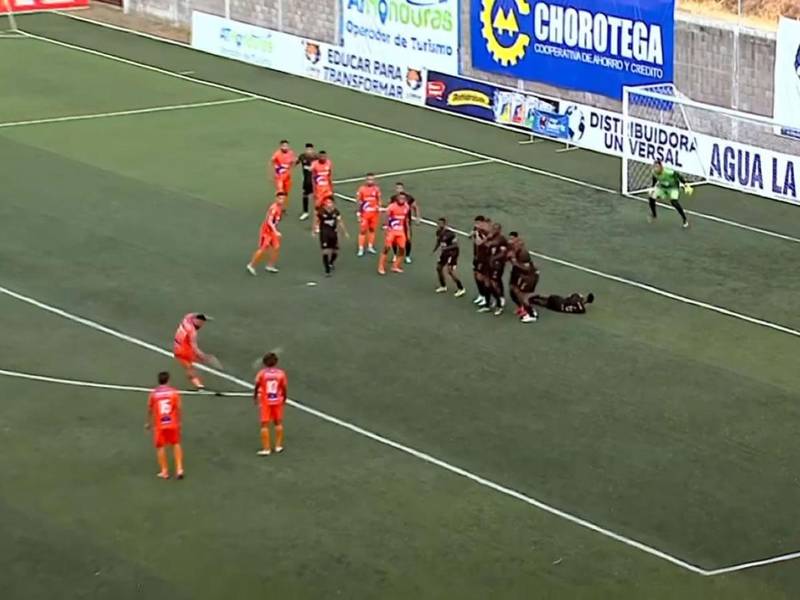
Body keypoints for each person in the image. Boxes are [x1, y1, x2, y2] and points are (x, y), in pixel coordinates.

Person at [146, 371, 184, 480]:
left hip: (159, 425)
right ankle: (179, 469)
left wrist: (148, 422)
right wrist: (179, 421)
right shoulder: (174, 392)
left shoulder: (153, 393)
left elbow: (149, 409)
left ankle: (164, 471)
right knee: (176, 444)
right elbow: (178, 408)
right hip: (172, 423)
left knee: (160, 447)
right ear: (168, 380)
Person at [254, 352, 288, 456]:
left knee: (264, 424)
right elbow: (284, 387)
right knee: (278, 422)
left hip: (266, 402)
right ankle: (278, 446)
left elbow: (257, 385)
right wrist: (284, 398)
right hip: (277, 400)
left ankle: (266, 448)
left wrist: (255, 396)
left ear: (264, 363)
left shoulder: (262, 373)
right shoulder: (281, 373)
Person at [173, 312, 217, 389]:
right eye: (202, 322)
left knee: (189, 366)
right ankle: (199, 385)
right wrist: (203, 356)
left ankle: (198, 383)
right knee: (190, 367)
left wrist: (205, 317)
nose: (202, 324)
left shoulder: (186, 319)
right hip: (183, 350)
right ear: (198, 321)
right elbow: (194, 347)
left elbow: (192, 314)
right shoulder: (192, 332)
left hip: (178, 346)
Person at [246, 192, 286, 275]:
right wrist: (275, 231)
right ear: (276, 199)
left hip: (272, 231)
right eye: (280, 198)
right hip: (267, 232)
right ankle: (251, 265)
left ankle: (270, 265)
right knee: (263, 249)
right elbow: (269, 221)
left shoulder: (280, 208)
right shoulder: (274, 208)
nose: (282, 200)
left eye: (283, 199)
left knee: (276, 247)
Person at [507, 232, 539, 323]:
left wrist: (513, 261)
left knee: (523, 296)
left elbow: (527, 269)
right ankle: (522, 307)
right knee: (513, 289)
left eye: (514, 243)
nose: (511, 243)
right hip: (520, 274)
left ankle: (532, 314)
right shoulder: (513, 250)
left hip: (528, 276)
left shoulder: (523, 253)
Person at [649, 159, 692, 228]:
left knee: (674, 202)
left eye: (657, 167)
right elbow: (654, 180)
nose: (656, 168)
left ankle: (684, 219)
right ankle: (654, 215)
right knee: (651, 197)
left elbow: (678, 176)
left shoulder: (668, 172)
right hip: (662, 187)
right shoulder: (654, 172)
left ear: (661, 167)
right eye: (654, 167)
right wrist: (653, 188)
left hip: (673, 187)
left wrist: (685, 184)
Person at [314, 196, 350, 276]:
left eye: (330, 202)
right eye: (327, 202)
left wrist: (345, 232)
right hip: (324, 234)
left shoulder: (336, 212)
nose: (328, 204)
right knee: (325, 251)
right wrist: (315, 229)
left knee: (335, 251)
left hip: (333, 233)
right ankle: (327, 270)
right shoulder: (321, 212)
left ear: (333, 204)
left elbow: (340, 222)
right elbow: (317, 221)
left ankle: (331, 263)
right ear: (324, 204)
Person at [479, 222, 509, 316]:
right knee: (486, 283)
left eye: (496, 229)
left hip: (497, 265)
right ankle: (487, 305)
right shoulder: (490, 237)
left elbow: (504, 253)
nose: (494, 230)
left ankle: (499, 304)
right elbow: (481, 245)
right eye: (493, 228)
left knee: (494, 283)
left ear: (499, 230)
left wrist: (494, 259)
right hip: (487, 263)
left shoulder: (502, 239)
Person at [378, 193, 410, 275]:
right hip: (391, 231)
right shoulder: (392, 207)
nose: (402, 199)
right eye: (400, 198)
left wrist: (408, 231)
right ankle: (381, 266)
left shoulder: (406, 207)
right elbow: (385, 216)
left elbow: (405, 219)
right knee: (387, 248)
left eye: (403, 198)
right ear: (397, 199)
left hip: (401, 231)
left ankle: (395, 266)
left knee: (402, 249)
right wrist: (385, 226)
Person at [433, 217, 465, 297]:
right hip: (445, 253)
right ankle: (443, 286)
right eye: (438, 223)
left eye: (440, 223)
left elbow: (455, 245)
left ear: (444, 224)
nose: (438, 225)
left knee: (450, 271)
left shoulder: (450, 234)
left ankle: (461, 288)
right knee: (439, 268)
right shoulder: (438, 232)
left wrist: (445, 248)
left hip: (452, 253)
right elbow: (439, 241)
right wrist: (435, 249)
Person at [390, 183, 419, 264]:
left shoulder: (409, 198)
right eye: (397, 188)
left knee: (408, 240)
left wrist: (417, 217)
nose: (399, 190)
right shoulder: (393, 198)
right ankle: (395, 255)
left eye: (400, 188)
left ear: (403, 189)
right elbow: (390, 210)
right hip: (395, 223)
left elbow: (415, 206)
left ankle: (407, 256)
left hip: (406, 223)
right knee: (394, 240)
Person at [356, 173, 382, 256]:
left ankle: (370, 246)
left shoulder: (376, 189)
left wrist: (379, 208)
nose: (370, 181)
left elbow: (379, 200)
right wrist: (358, 213)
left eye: (372, 179)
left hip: (374, 214)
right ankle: (361, 248)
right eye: (369, 179)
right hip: (365, 214)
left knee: (372, 229)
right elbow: (358, 202)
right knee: (363, 231)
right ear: (366, 180)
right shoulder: (361, 189)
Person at [270, 140, 296, 205]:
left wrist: (293, 163)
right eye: (284, 146)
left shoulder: (291, 153)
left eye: (286, 146)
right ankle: (278, 206)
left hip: (287, 177)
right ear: (281, 146)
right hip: (279, 177)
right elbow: (271, 162)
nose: (285, 147)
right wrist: (272, 174)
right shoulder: (277, 154)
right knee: (280, 192)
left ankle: (284, 207)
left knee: (286, 192)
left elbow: (293, 162)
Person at [297, 142, 317, 221]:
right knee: (305, 195)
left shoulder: (316, 158)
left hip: (315, 181)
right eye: (307, 149)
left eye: (310, 149)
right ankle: (305, 212)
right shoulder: (302, 156)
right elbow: (296, 162)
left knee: (317, 198)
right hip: (306, 181)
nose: (308, 151)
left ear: (312, 150)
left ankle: (318, 214)